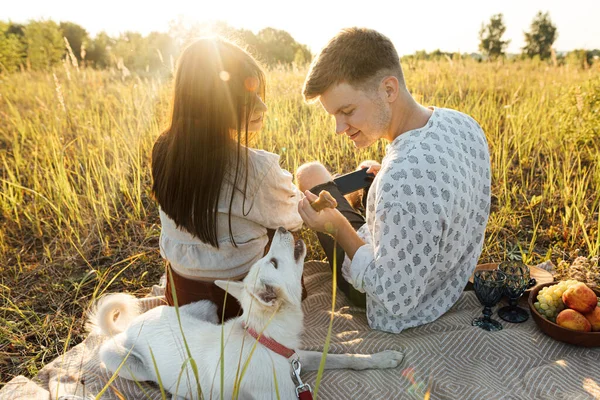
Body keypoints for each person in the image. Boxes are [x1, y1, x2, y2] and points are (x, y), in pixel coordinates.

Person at [296, 28, 491, 333]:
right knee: (360, 176)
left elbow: (393, 300)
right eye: (334, 115)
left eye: (346, 111)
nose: (338, 128)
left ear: (388, 89)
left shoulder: (400, 179)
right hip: (448, 279)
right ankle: (362, 199)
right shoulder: (463, 123)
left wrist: (336, 227)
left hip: (407, 300)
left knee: (309, 175)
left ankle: (348, 211)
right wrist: (385, 170)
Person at [152, 37, 303, 320]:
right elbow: (294, 218)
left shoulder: (163, 150)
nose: (262, 106)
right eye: (246, 96)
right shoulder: (256, 167)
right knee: (285, 232)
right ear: (213, 101)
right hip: (242, 303)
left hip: (181, 296)